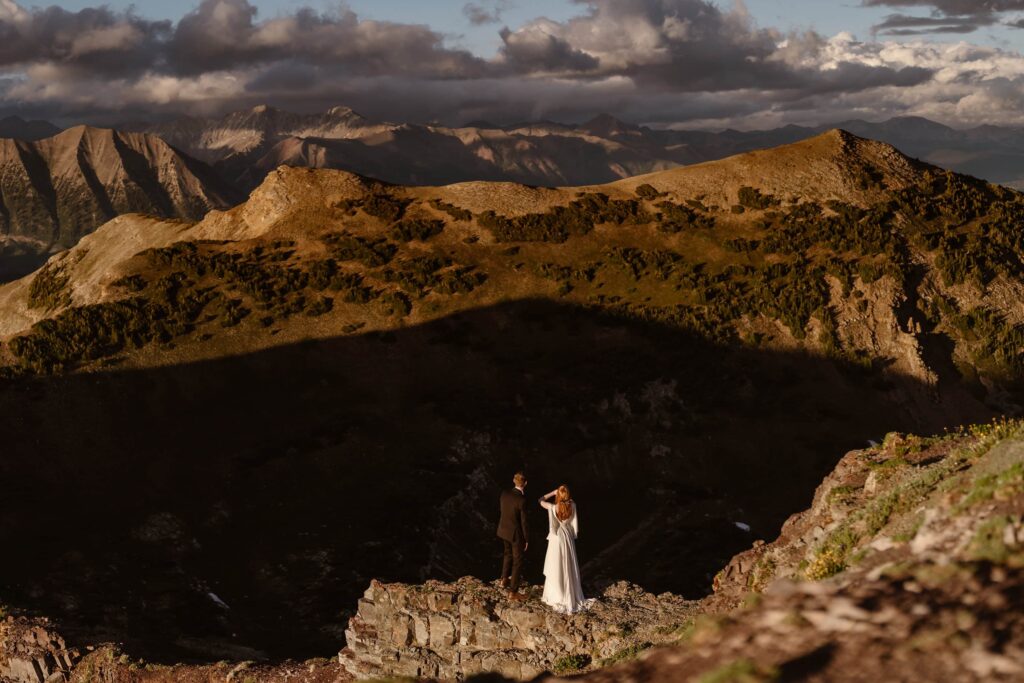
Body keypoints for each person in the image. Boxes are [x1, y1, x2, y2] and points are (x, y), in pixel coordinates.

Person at [538, 485, 589, 613]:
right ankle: (569, 591)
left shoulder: (553, 507)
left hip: (557, 538)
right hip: (567, 536)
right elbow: (574, 524)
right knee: (568, 564)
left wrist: (552, 492)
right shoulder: (573, 505)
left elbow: (540, 500)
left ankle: (557, 593)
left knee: (556, 564)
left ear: (558, 495)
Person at [497, 472, 529, 601]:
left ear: (513, 481)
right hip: (515, 534)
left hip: (503, 530)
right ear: (525, 483)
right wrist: (526, 539)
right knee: (518, 562)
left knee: (507, 554)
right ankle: (513, 592)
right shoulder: (522, 500)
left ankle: (504, 579)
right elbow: (524, 522)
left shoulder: (504, 494)